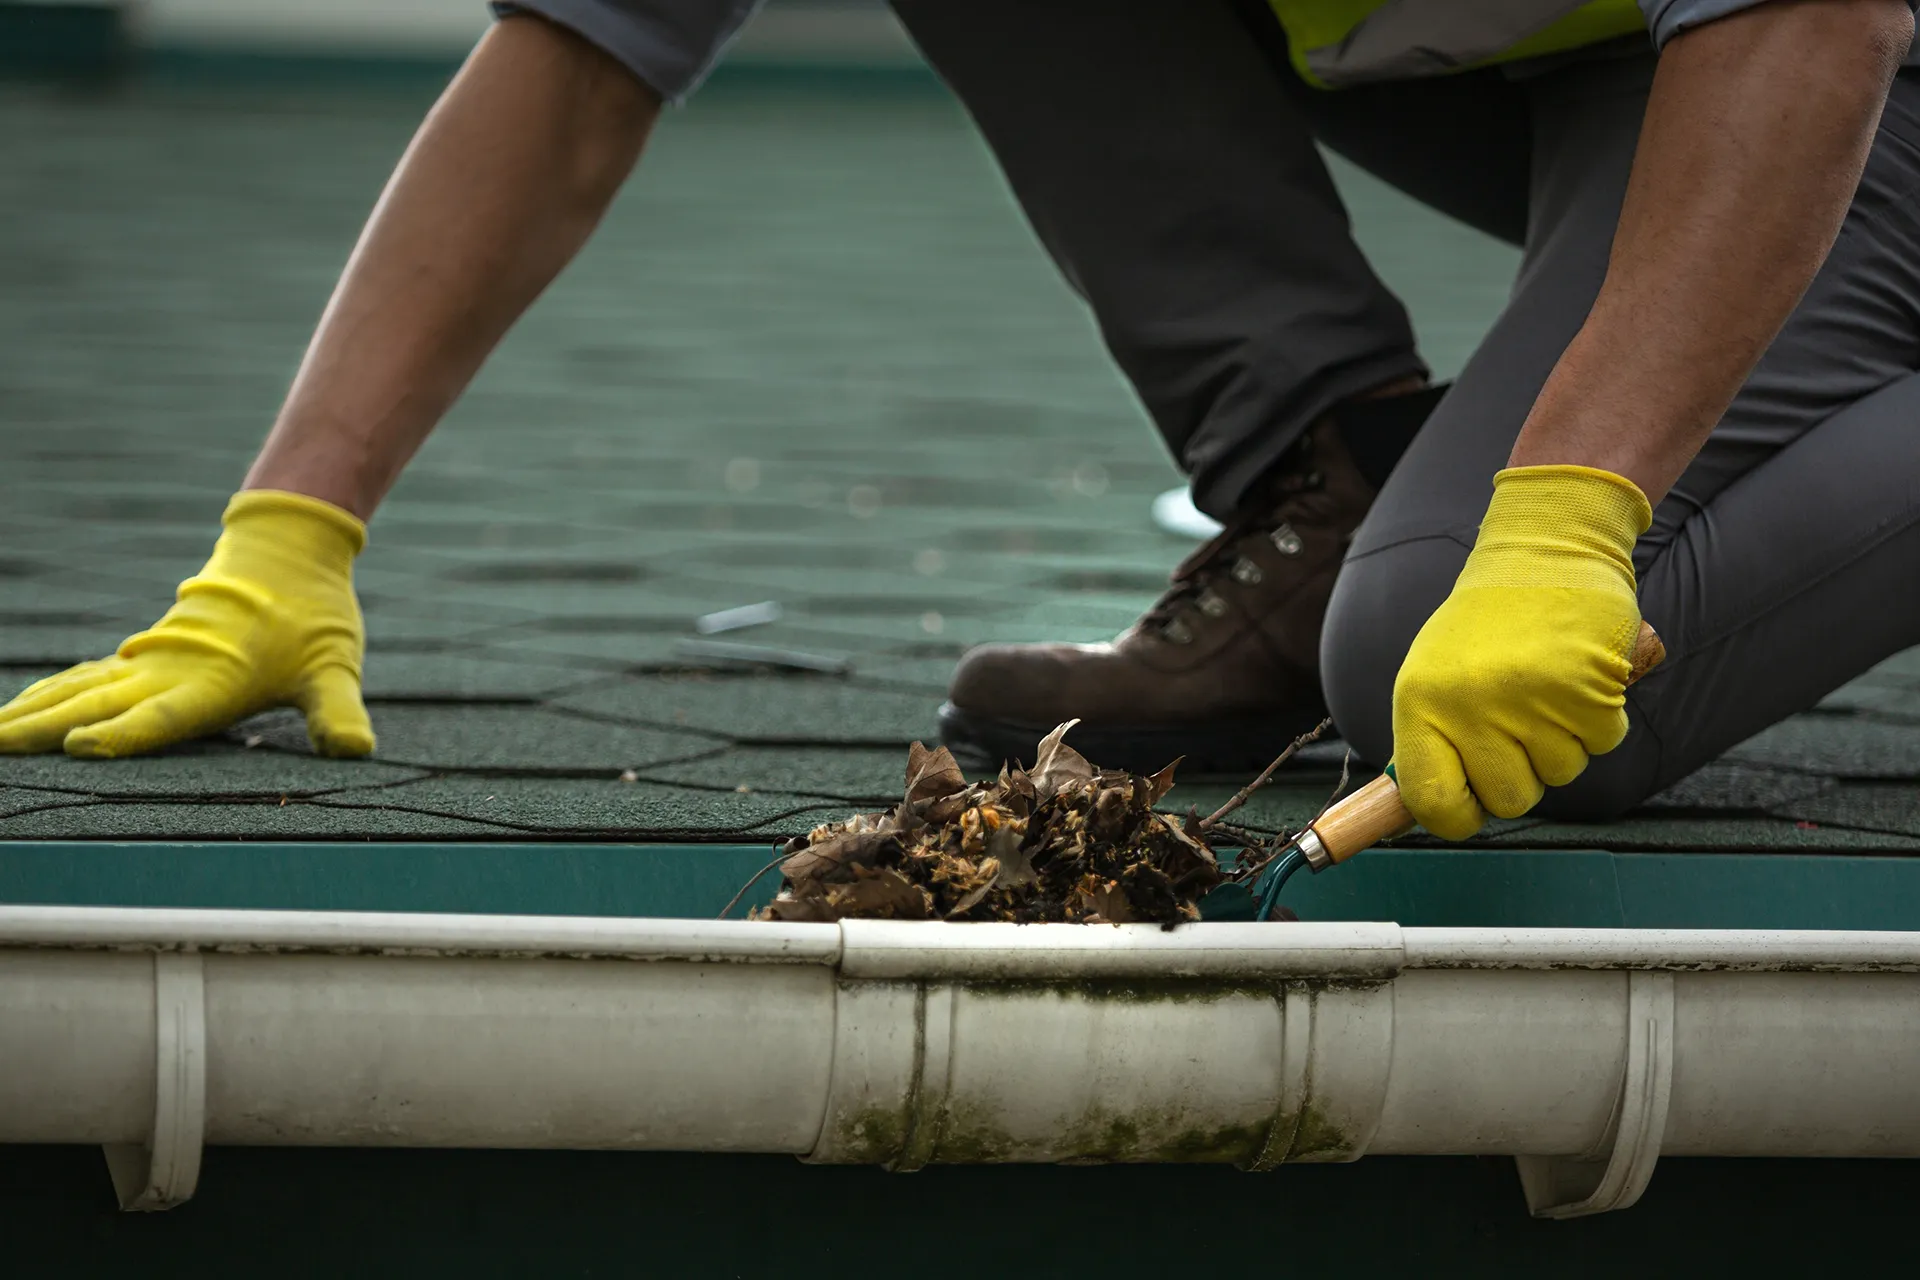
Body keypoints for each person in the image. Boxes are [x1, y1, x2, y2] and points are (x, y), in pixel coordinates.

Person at [2, 1, 1915, 848]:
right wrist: (287, 538)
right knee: (1415, 607)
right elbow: (583, 52)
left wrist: (1566, 513)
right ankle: (1325, 474)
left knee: (1458, 658)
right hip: (1587, 80)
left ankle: (1426, 550)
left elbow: (1816, 20)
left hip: (1835, 89)